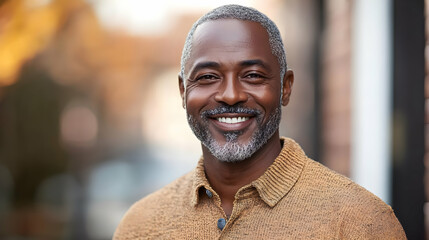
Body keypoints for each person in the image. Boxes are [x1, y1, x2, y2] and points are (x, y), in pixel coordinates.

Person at [114, 4, 406, 239]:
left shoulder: (361, 223)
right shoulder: (140, 226)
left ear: (285, 87)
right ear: (182, 91)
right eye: (207, 77)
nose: (230, 96)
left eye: (252, 75)